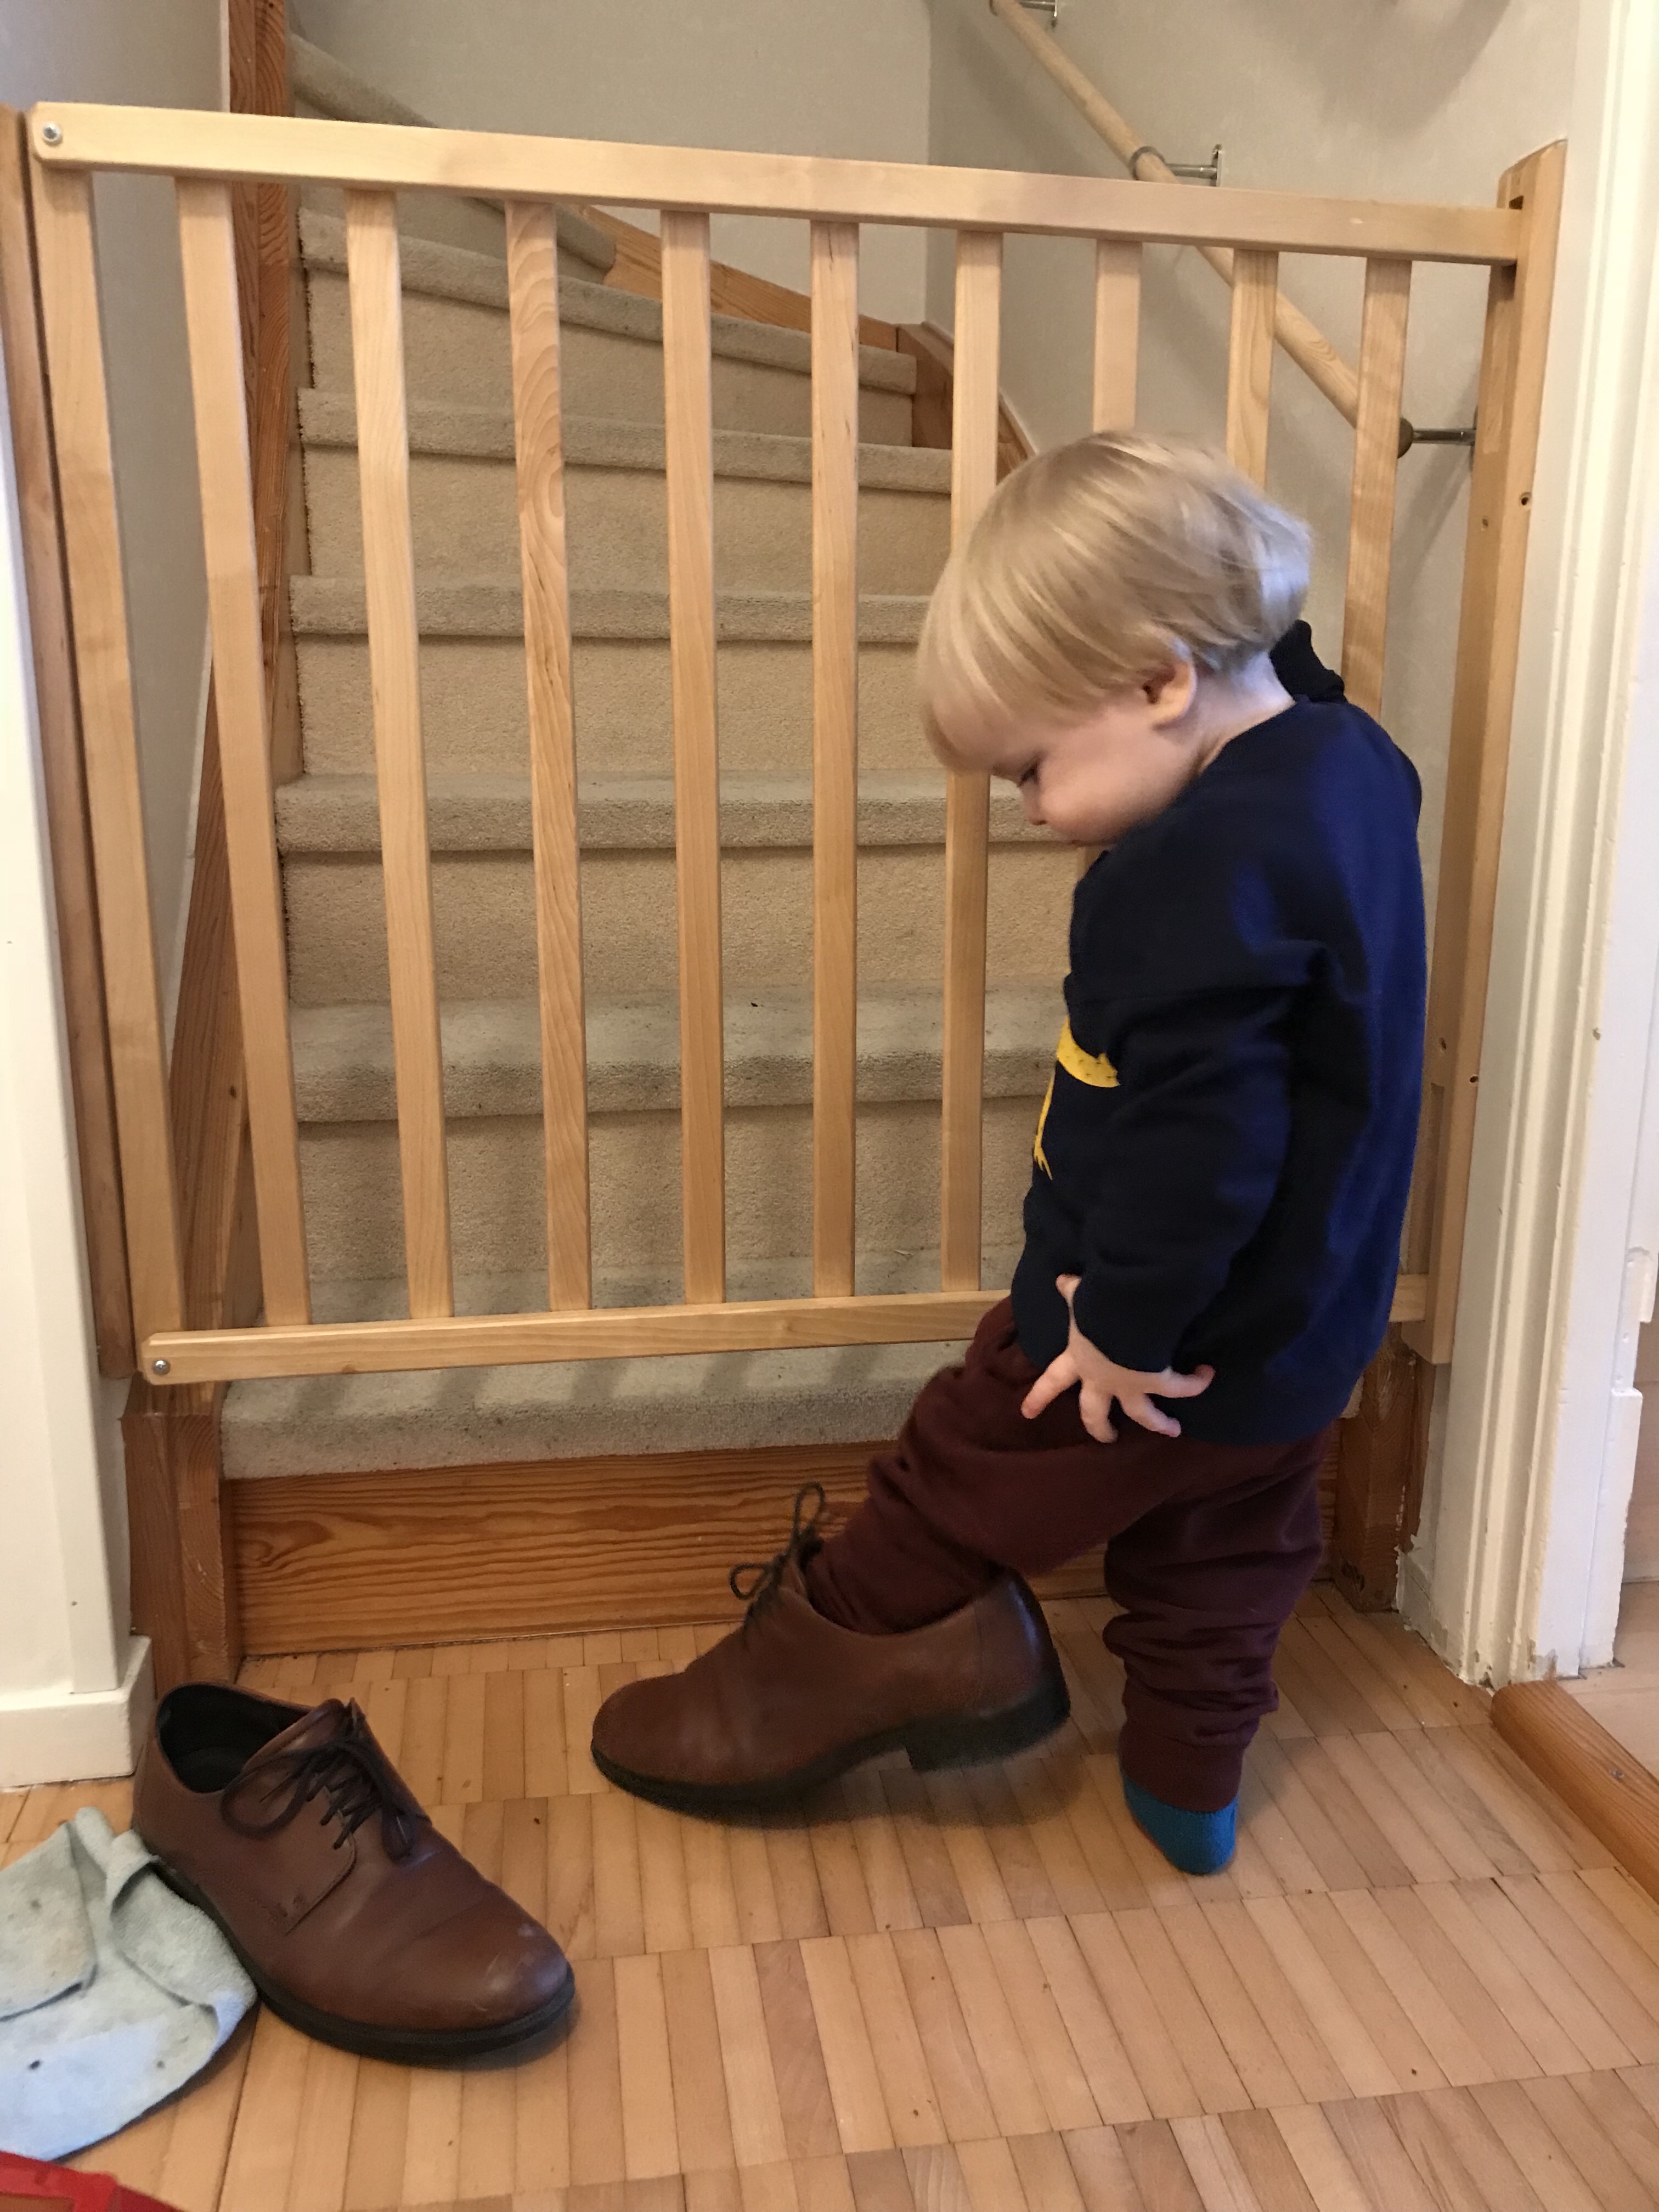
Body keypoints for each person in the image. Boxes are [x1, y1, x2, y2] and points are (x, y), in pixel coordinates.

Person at [591, 432, 1426, 1875]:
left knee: (960, 1468)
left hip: (1139, 1335)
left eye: (1031, 769)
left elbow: (1205, 1143)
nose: (1030, 812)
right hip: (1310, 1332)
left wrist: (1119, 1328)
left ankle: (803, 1683)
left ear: (1162, 683)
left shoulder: (1181, 879)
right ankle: (1189, 1785)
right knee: (1228, 1553)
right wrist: (1256, 619)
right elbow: (1294, 680)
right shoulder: (1353, 767)